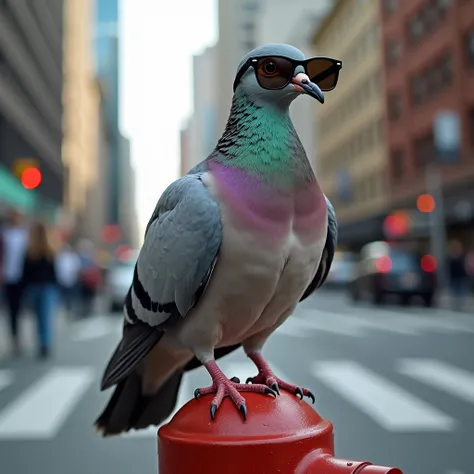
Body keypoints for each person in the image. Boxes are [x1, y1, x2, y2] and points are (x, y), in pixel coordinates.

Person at [21, 221, 59, 358]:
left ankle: (41, 343)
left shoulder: (30, 251)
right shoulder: (50, 251)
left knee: (38, 318)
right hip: (47, 288)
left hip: (34, 287)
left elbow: (25, 274)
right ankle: (44, 343)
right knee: (45, 317)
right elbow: (54, 273)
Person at [0, 210, 29, 356]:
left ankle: (20, 338)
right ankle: (14, 339)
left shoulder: (25, 235)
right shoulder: (4, 234)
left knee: (21, 310)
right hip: (7, 277)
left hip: (22, 279)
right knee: (11, 310)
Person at [55, 242, 81, 319]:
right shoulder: (60, 257)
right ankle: (65, 310)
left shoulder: (73, 257)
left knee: (71, 298)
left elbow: (77, 269)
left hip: (72, 281)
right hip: (62, 282)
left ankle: (70, 310)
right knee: (63, 298)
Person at [447, 240, 469, 312]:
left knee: (461, 291)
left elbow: (465, 267)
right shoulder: (450, 258)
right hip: (454, 278)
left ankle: (460, 304)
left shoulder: (462, 257)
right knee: (455, 292)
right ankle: (456, 305)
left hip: (461, 277)